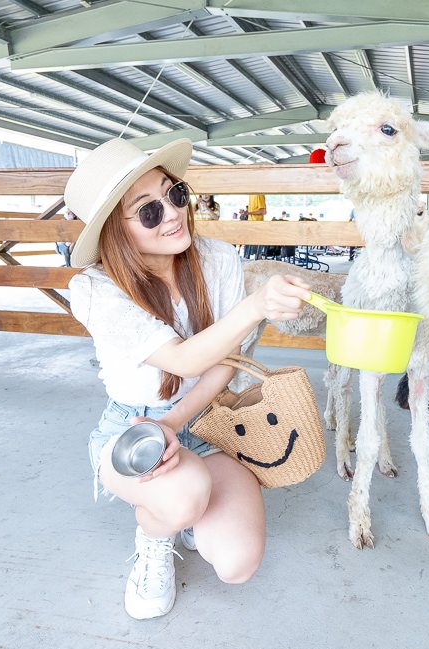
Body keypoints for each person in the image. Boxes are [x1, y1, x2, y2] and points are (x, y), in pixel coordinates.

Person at [65, 138, 311, 620]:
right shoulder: (95, 289)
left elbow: (226, 359)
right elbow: (183, 360)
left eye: (174, 194)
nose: (173, 213)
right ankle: (156, 532)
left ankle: (183, 510)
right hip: (134, 430)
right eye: (148, 212)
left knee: (238, 565)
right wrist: (256, 306)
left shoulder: (216, 258)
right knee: (182, 494)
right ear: (116, 231)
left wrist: (176, 422)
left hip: (208, 419)